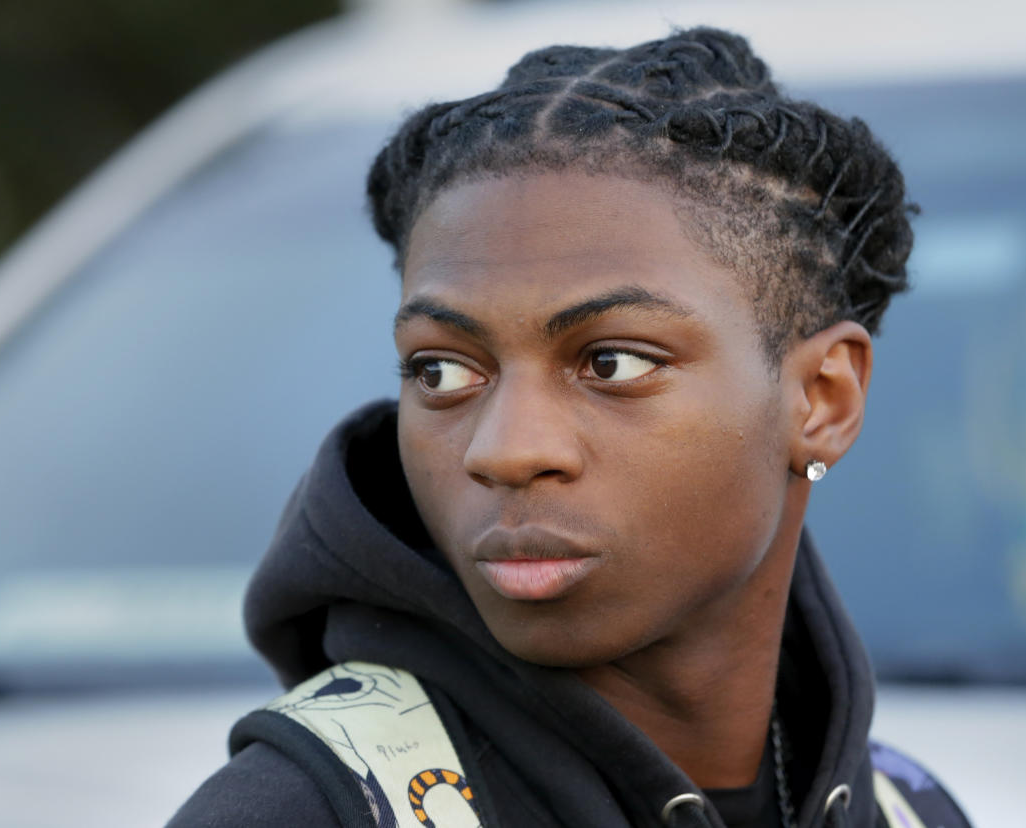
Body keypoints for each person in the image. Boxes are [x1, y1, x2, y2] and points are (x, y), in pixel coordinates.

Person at [169, 26, 972, 828]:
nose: (506, 451)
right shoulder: (301, 812)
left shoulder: (911, 811)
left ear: (821, 402)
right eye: (442, 371)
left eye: (613, 363)